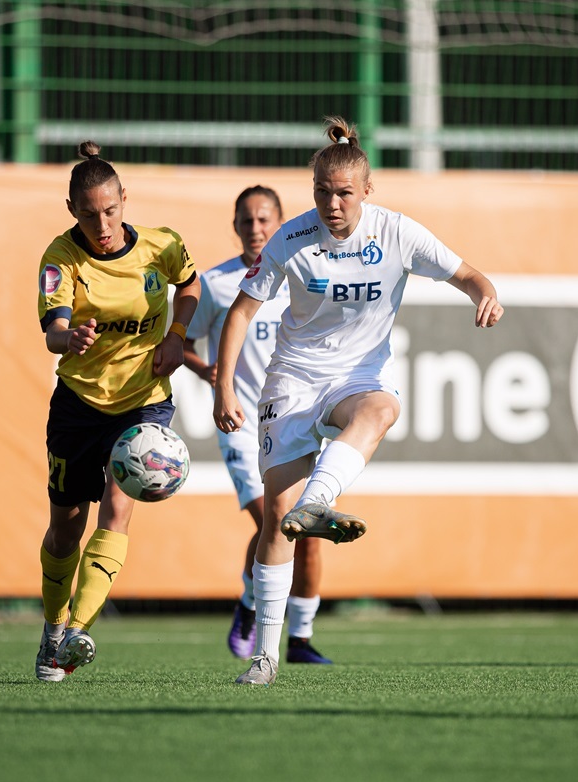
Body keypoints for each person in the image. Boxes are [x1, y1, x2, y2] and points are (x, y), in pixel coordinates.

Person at [213, 116, 505, 686]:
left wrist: (486, 294)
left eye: (345, 192)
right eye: (322, 192)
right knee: (275, 519)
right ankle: (266, 658)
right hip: (293, 381)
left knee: (382, 409)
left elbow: (467, 274)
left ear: (367, 191)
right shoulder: (292, 239)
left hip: (357, 375)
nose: (333, 203)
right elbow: (242, 311)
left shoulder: (397, 233)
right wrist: (224, 385)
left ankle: (319, 500)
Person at [34, 141, 199, 681]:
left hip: (143, 404)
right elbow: (53, 330)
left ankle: (75, 636)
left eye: (110, 210)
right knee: (66, 528)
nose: (101, 223)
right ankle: (54, 626)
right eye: (88, 213)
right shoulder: (61, 258)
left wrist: (176, 336)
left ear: (125, 200)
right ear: (71, 210)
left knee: (118, 507)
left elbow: (191, 285)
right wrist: (69, 336)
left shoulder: (161, 245)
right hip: (80, 405)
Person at [183, 185, 332, 665]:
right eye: (246, 221)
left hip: (298, 419)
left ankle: (301, 641)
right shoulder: (219, 283)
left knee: (303, 530)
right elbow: (180, 341)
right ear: (235, 226)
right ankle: (253, 606)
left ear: (282, 223)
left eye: (265, 220)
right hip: (245, 425)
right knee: (274, 519)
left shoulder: (306, 272)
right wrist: (208, 372)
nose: (256, 229)